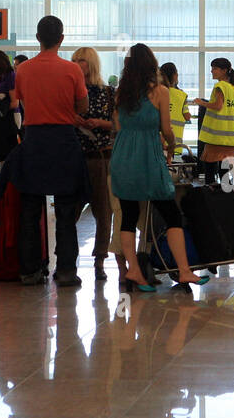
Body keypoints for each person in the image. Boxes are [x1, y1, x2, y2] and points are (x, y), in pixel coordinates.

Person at [110, 44, 206, 291]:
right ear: (152, 65)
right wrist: (172, 146)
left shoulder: (121, 92)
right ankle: (184, 271)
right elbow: (166, 129)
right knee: (171, 213)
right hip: (149, 157)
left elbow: (118, 126)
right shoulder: (161, 92)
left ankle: (133, 270)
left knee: (129, 215)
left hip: (122, 156)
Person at [5, 15, 90, 287]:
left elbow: (21, 101)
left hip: (34, 140)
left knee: (30, 208)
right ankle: (65, 270)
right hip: (64, 141)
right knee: (66, 210)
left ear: (37, 38)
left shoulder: (24, 70)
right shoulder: (72, 70)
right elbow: (83, 107)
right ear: (61, 39)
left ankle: (30, 270)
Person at [73, 47, 116, 281]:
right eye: (74, 60)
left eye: (82, 61)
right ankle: (68, 259)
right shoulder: (68, 91)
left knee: (104, 212)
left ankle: (100, 259)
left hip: (101, 157)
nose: (77, 64)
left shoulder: (108, 93)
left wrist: (100, 122)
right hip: (76, 158)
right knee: (70, 212)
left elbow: (117, 124)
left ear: (91, 64)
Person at [193, 57, 234, 184]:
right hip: (231, 139)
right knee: (224, 174)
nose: (212, 71)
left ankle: (211, 201)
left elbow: (218, 106)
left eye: (215, 68)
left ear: (224, 70)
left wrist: (202, 103)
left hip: (216, 138)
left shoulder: (221, 86)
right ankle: (228, 201)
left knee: (210, 173)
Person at [160, 62, 190, 158]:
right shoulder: (181, 95)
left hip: (157, 141)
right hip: (174, 142)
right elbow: (187, 116)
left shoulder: (155, 92)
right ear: (175, 76)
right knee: (172, 169)